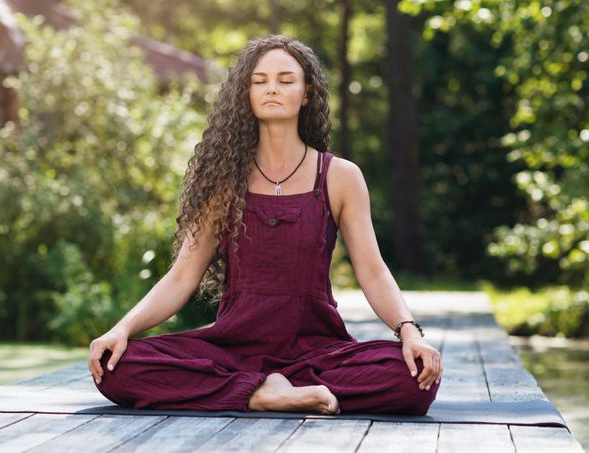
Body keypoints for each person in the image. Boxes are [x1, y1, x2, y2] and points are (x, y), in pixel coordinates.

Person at [87, 34, 442, 415]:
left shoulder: (339, 177)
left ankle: (274, 389)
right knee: (116, 367)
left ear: (307, 93)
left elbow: (372, 272)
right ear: (246, 93)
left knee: (415, 377)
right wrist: (121, 329)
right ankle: (262, 393)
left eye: (286, 80)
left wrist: (410, 333)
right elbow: (181, 277)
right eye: (259, 81)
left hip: (316, 351)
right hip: (233, 351)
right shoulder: (224, 181)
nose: (272, 88)